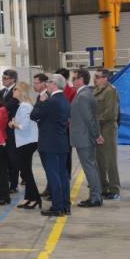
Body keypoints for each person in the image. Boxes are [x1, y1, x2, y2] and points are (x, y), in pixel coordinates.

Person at [31, 73, 72, 217]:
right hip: (61, 142)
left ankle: (57, 207)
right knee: (62, 175)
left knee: (53, 175)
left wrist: (41, 102)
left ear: (54, 84)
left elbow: (33, 115)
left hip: (50, 144)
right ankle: (65, 205)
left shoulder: (50, 101)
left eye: (48, 82)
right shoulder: (64, 100)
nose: (46, 84)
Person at [70, 69, 103, 207]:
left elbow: (90, 119)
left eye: (74, 78)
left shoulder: (83, 96)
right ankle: (96, 195)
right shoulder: (84, 94)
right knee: (91, 167)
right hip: (85, 136)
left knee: (89, 167)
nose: (72, 81)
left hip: (84, 137)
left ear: (81, 80)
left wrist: (97, 135)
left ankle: (95, 197)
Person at [9, 82, 40, 209]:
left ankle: (35, 198)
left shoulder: (25, 106)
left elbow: (24, 126)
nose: (13, 91)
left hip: (27, 142)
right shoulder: (23, 105)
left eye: (16, 89)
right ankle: (29, 197)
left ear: (22, 91)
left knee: (26, 172)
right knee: (26, 171)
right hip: (25, 141)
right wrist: (14, 124)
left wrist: (13, 124)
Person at [93, 68, 121, 200]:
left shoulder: (111, 91)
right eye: (95, 76)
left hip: (108, 128)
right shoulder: (96, 90)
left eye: (97, 77)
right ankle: (103, 187)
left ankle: (114, 189)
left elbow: (111, 113)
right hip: (98, 128)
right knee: (99, 160)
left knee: (110, 160)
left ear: (105, 78)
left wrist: (94, 121)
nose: (95, 79)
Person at [1, 69, 21, 193]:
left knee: (13, 158)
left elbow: (8, 106)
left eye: (5, 78)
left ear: (13, 79)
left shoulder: (17, 91)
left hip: (12, 129)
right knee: (5, 159)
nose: (3, 80)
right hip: (2, 130)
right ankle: (7, 182)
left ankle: (13, 185)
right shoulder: (2, 92)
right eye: (2, 78)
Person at [33, 72, 52, 200]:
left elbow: (37, 114)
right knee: (47, 166)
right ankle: (49, 188)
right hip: (42, 134)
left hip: (49, 136)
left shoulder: (48, 96)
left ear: (44, 83)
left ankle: (53, 191)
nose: (34, 85)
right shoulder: (39, 96)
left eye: (36, 83)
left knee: (51, 166)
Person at [55, 68, 75, 180]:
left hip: (66, 127)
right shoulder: (53, 90)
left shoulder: (71, 91)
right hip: (55, 127)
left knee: (66, 152)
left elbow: (71, 110)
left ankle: (67, 175)